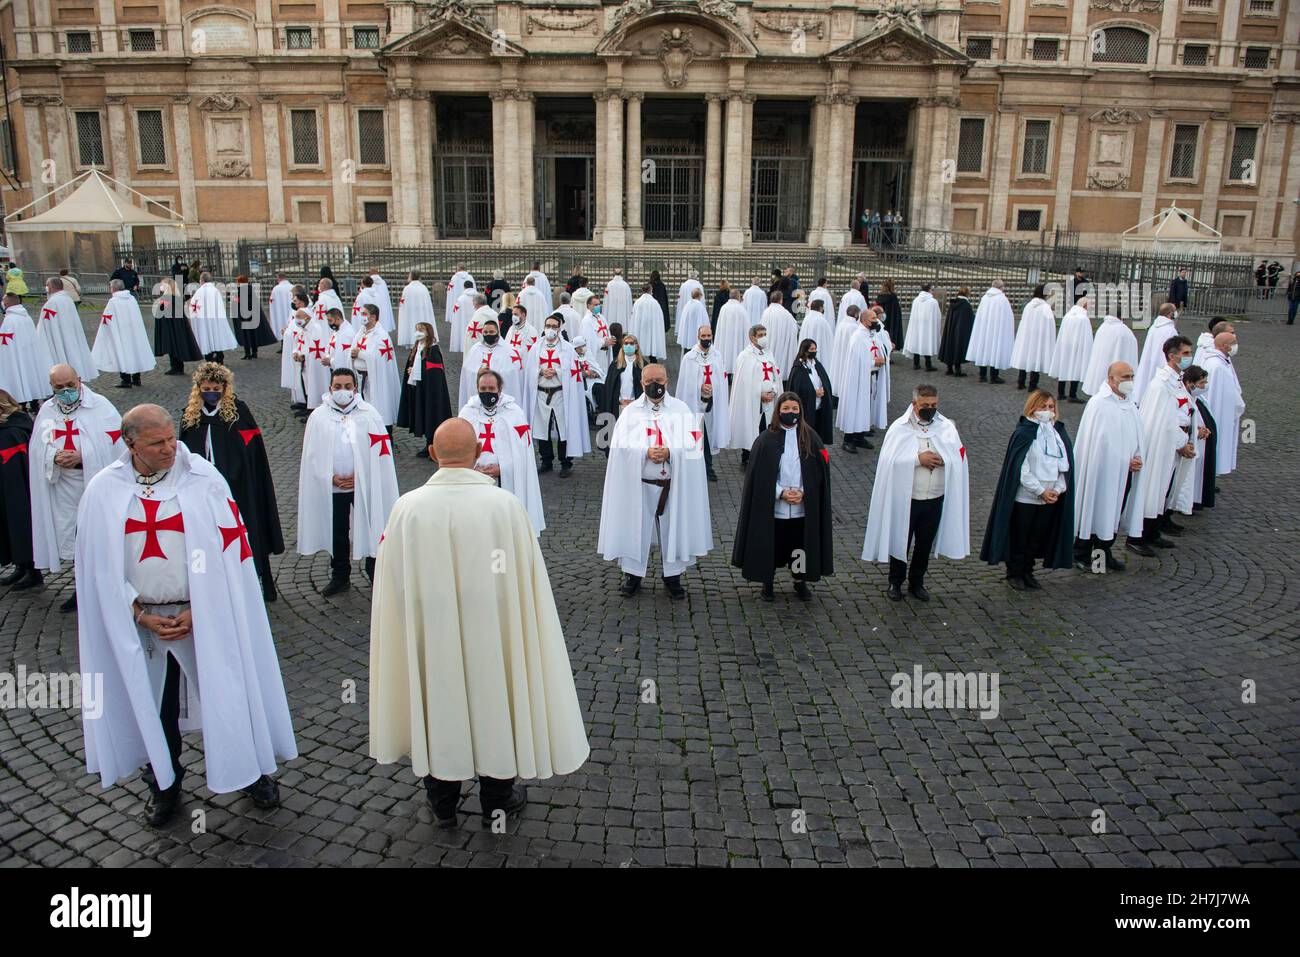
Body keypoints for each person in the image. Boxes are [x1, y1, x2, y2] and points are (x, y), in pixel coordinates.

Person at [75, 403, 296, 827]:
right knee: (156, 707)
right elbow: (96, 567)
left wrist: (199, 606)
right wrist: (138, 613)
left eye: (171, 438)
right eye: (156, 443)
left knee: (227, 691)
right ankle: (164, 784)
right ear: (130, 443)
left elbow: (228, 552)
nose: (169, 448)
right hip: (144, 622)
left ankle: (252, 772)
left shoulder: (202, 480)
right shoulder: (104, 491)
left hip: (204, 612)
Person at [368, 418, 589, 829]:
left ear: (433, 455)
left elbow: (393, 584)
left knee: (438, 700)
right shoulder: (504, 506)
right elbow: (527, 583)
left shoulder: (407, 508)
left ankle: (442, 802)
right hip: (494, 626)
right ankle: (497, 800)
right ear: (477, 456)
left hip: (430, 631)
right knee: (496, 699)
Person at [598, 363, 711, 599]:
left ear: (667, 381)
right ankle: (633, 575)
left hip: (673, 486)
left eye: (659, 381)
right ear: (642, 383)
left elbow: (694, 446)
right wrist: (645, 453)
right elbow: (619, 447)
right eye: (649, 381)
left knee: (673, 528)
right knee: (635, 528)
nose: (655, 385)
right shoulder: (630, 413)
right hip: (640, 484)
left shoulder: (681, 410)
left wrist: (671, 452)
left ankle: (673, 577)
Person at [178, 363, 283, 602]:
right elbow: (184, 452)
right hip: (202, 489)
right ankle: (206, 583)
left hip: (239, 485)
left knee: (248, 530)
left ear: (225, 388)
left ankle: (262, 580)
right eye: (206, 388)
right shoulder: (190, 415)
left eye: (216, 388)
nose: (211, 392)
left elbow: (251, 453)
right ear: (198, 389)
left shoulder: (239, 412)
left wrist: (236, 473)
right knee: (203, 534)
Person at [297, 369, 399, 596]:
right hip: (333, 485)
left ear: (355, 387)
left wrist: (362, 475)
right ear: (330, 388)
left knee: (373, 525)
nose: (342, 390)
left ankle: (375, 572)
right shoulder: (319, 417)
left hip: (363, 484)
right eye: (337, 386)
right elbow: (311, 455)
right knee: (338, 531)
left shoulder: (369, 414)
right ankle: (340, 575)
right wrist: (329, 476)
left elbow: (379, 453)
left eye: (347, 386)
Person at [862, 384, 969, 601]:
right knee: (901, 540)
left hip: (935, 496)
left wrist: (945, 459)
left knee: (924, 543)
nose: (930, 409)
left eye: (934, 405)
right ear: (914, 404)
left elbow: (959, 457)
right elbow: (889, 462)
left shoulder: (946, 427)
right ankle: (895, 581)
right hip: (908, 497)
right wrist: (918, 459)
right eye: (925, 405)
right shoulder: (900, 428)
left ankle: (917, 582)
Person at [29, 365, 122, 609]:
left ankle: (104, 586)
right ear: (51, 387)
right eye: (59, 388)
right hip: (63, 484)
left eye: (70, 385)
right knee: (72, 534)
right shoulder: (47, 411)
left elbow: (115, 443)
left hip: (92, 482)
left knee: (97, 533)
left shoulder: (100, 406)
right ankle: (79, 587)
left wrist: (83, 455)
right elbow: (38, 447)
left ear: (79, 380)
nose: (66, 391)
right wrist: (53, 456)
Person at [732, 391, 832, 601]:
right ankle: (768, 581)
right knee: (773, 544)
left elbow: (819, 471)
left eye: (794, 409)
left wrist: (804, 492)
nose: (790, 413)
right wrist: (781, 493)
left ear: (801, 411)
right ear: (778, 412)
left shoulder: (812, 438)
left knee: (799, 547)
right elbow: (759, 476)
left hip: (800, 507)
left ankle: (799, 581)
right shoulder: (765, 440)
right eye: (786, 409)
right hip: (775, 506)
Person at [980, 390, 1076, 590]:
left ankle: (1028, 570)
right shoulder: (1024, 433)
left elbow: (1064, 467)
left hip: (1050, 496)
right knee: (1020, 537)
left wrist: (1057, 489)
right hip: (1026, 497)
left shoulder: (1058, 433)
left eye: (1051, 407)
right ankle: (1014, 572)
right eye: (1043, 407)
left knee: (1036, 537)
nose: (1048, 411)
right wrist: (1040, 490)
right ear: (1033, 408)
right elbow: (1020, 469)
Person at [1072, 361, 1149, 567]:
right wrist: (1123, 461)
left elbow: (1136, 435)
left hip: (1125, 473)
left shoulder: (1130, 403)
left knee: (1114, 511)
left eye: (1132, 376)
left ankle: (1104, 552)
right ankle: (1081, 552)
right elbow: (1097, 443)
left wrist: (1138, 456)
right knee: (1095, 507)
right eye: (1125, 377)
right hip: (1102, 472)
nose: (1129, 381)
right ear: (1111, 379)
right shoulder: (1099, 404)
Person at [1131, 336, 1198, 551]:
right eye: (1185, 353)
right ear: (1172, 355)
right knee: (1153, 488)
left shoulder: (1176, 380)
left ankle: (1153, 531)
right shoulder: (1161, 384)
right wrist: (1181, 443)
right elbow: (1166, 421)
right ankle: (1137, 537)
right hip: (1163, 444)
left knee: (1163, 489)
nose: (1189, 357)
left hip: (1173, 444)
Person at [458, 367, 545, 534]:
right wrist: (472, 469)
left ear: (500, 389)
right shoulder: (467, 413)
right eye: (483, 389)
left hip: (505, 481)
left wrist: (503, 469)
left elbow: (522, 455)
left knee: (503, 528)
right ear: (477, 388)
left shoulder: (514, 413)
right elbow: (459, 447)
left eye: (491, 389)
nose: (487, 392)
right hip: (475, 479)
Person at [523, 313, 591, 476]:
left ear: (560, 328)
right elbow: (529, 370)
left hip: (560, 394)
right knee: (541, 428)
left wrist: (557, 372)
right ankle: (546, 461)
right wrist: (540, 371)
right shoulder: (536, 347)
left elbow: (573, 373)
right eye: (548, 326)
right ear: (544, 327)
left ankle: (565, 462)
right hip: (541, 393)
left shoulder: (568, 349)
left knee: (564, 428)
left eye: (554, 326)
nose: (551, 329)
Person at [675, 322, 728, 481]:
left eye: (709, 336)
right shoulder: (689, 358)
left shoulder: (717, 356)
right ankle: (695, 470)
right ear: (698, 337)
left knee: (709, 436)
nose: (706, 339)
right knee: (697, 435)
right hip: (695, 404)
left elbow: (721, 379)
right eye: (703, 336)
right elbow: (686, 383)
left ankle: (708, 468)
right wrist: (700, 388)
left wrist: (713, 388)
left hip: (712, 403)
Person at [835, 306, 892, 453]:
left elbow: (879, 350)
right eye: (873, 319)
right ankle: (848, 440)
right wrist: (874, 362)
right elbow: (857, 360)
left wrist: (883, 358)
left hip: (870, 378)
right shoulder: (858, 337)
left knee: (865, 407)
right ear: (865, 321)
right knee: (855, 407)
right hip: (858, 379)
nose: (876, 321)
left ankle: (859, 437)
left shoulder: (870, 335)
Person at [396, 320, 453, 457]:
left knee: (432, 415)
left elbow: (435, 372)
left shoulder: (433, 349)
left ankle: (433, 446)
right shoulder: (417, 347)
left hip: (431, 391)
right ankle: (429, 445)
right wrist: (411, 370)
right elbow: (416, 364)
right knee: (424, 415)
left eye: (421, 330)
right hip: (420, 388)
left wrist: (416, 370)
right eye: (416, 329)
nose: (418, 333)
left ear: (428, 332)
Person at [728, 324, 781, 465]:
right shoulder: (745, 356)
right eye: (760, 335)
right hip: (752, 402)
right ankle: (748, 456)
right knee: (752, 428)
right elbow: (744, 383)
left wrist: (774, 390)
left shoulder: (769, 354)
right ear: (752, 338)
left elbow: (775, 375)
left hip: (769, 400)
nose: (764, 337)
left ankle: (765, 456)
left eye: (765, 334)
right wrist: (759, 394)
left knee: (767, 428)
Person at [0, 389, 37, 589]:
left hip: (18, 489)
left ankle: (33, 571)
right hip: (5, 489)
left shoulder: (14, 430)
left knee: (21, 525)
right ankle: (20, 567)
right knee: (8, 527)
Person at [1198, 331, 1245, 487]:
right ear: (1224, 346)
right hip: (1218, 412)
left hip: (1221, 411)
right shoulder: (1217, 366)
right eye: (1234, 342)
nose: (1236, 345)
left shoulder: (1221, 362)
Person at [94, 279, 155, 389]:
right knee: (134, 352)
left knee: (122, 353)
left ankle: (126, 380)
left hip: (120, 333)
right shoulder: (131, 298)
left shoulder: (113, 302)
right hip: (133, 331)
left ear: (113, 288)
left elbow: (107, 319)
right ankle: (137, 378)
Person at [351, 303, 401, 428]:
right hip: (362, 377)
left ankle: (384, 433)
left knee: (378, 405)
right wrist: (352, 354)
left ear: (373, 317)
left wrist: (360, 354)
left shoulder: (381, 335)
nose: (361, 316)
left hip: (376, 378)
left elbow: (378, 358)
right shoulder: (361, 332)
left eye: (364, 314)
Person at [37, 276, 97, 381]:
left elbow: (44, 325)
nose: (46, 287)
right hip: (69, 334)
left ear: (51, 287)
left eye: (47, 285)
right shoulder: (67, 299)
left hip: (58, 336)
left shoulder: (52, 303)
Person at [0, 293, 54, 408]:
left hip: (15, 355)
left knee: (18, 374)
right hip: (28, 354)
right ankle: (35, 402)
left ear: (7, 304)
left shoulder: (9, 320)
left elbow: (5, 343)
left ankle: (21, 402)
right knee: (30, 374)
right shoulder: (26, 317)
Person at [459, 317, 524, 408]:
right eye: (485, 332)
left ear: (498, 333)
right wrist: (478, 372)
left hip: (500, 399)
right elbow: (467, 370)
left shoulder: (509, 350)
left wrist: (493, 375)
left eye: (491, 332)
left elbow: (513, 373)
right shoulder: (475, 349)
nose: (488, 334)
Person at [151, 277, 202, 377]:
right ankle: (178, 367)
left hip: (170, 327)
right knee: (177, 345)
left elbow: (162, 311)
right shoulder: (176, 297)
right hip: (178, 326)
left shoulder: (167, 298)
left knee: (172, 346)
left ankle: (175, 367)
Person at [290, 290, 332, 413]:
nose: (296, 319)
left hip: (313, 363)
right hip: (304, 362)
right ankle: (307, 404)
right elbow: (299, 343)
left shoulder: (315, 329)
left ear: (307, 317)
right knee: (306, 383)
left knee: (313, 384)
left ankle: (313, 408)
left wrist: (303, 355)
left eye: (299, 317)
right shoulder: (303, 329)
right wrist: (296, 353)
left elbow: (316, 348)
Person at [966, 280, 1013, 383]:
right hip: (997, 330)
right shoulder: (1002, 299)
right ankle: (994, 376)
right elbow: (1008, 317)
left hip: (984, 328)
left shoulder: (985, 298)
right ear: (1001, 287)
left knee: (983, 349)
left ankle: (982, 375)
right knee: (995, 350)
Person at [788, 338, 833, 445]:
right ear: (805, 351)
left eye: (815, 349)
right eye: (812, 349)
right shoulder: (798, 368)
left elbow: (825, 381)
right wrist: (813, 393)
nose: (814, 351)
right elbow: (797, 389)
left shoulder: (817, 364)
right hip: (807, 408)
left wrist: (824, 390)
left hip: (819, 406)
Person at [1010, 284, 1056, 391]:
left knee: (1025, 356)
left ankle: (1020, 382)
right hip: (1039, 337)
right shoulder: (1045, 307)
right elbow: (1049, 324)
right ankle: (1032, 385)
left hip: (1027, 336)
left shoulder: (1029, 305)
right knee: (1036, 358)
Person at [1050, 295, 1093, 404]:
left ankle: (1061, 393)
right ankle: (1072, 394)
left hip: (1065, 345)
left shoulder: (1068, 315)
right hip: (1078, 347)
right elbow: (1087, 337)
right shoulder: (1083, 319)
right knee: (1076, 368)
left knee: (1063, 366)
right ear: (1084, 305)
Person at [1082, 313, 1138, 396]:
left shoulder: (1103, 326)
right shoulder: (1124, 331)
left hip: (1101, 368)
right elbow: (1130, 353)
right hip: (1117, 371)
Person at [1132, 303, 1178, 403]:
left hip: (1151, 360)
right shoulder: (1170, 330)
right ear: (1170, 314)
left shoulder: (1154, 326)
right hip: (1162, 362)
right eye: (1175, 311)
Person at [1185, 364, 1217, 510]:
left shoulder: (1199, 398)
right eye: (1201, 383)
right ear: (1190, 384)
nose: (1205, 386)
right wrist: (1197, 432)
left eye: (1205, 382)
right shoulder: (1185, 399)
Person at [188, 271, 238, 363]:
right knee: (216, 337)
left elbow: (193, 307)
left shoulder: (199, 292)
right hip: (216, 320)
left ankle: (210, 359)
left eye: (200, 279)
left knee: (207, 338)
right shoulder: (215, 290)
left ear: (202, 280)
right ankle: (220, 357)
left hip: (205, 321)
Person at [230, 275, 277, 360]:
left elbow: (237, 302)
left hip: (245, 317)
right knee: (252, 334)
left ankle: (247, 353)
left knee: (246, 335)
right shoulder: (249, 289)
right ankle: (254, 353)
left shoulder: (242, 290)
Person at [603, 332, 647, 420]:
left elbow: (645, 388)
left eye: (631, 343)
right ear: (622, 347)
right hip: (618, 404)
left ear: (636, 346)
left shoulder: (643, 365)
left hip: (637, 405)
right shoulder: (615, 364)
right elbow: (610, 386)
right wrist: (619, 400)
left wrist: (634, 400)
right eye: (626, 343)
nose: (628, 346)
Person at [902, 283, 941, 372]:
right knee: (927, 342)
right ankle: (928, 364)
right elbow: (937, 315)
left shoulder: (916, 300)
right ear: (929, 290)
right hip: (928, 324)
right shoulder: (933, 301)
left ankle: (916, 363)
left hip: (917, 323)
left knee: (917, 341)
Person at [761, 291, 799, 380]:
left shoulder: (766, 312)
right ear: (781, 300)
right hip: (781, 344)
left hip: (769, 343)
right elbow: (794, 328)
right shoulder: (785, 313)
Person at [938, 286, 975, 377]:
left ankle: (949, 368)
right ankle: (958, 370)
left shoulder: (953, 303)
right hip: (960, 331)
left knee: (950, 346)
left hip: (951, 329)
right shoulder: (966, 305)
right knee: (958, 347)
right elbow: (970, 319)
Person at [714, 286, 748, 377]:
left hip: (726, 336)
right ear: (738, 297)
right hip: (737, 337)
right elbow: (747, 327)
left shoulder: (724, 308)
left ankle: (726, 374)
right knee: (736, 353)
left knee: (726, 353)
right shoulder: (742, 309)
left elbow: (719, 326)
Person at [630, 283, 667, 362]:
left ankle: (638, 365)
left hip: (640, 328)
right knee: (652, 344)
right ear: (651, 290)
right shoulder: (655, 303)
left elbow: (633, 318)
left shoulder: (638, 302)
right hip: (651, 329)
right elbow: (659, 319)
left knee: (639, 343)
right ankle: (653, 363)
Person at [397, 270, 434, 347]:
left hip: (410, 311)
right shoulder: (423, 288)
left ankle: (411, 339)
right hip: (421, 310)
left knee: (411, 323)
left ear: (411, 277)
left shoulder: (407, 289)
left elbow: (403, 303)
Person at [444, 264, 474, 352]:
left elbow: (450, 292)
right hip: (470, 303)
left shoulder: (454, 278)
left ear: (458, 268)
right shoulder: (470, 277)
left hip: (458, 302)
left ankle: (458, 340)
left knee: (459, 323)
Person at [799, 298, 835, 369]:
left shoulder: (806, 319)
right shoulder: (822, 321)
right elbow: (829, 341)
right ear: (821, 308)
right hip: (819, 354)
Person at [675, 285, 710, 352]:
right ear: (699, 295)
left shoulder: (687, 305)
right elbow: (705, 322)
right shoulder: (700, 306)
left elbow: (683, 321)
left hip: (687, 335)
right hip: (697, 336)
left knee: (687, 352)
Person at [675, 270, 704, 346]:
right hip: (697, 312)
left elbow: (680, 300)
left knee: (687, 330)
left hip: (686, 311)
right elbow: (702, 301)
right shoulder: (699, 286)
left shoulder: (684, 285)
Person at [875, 278, 903, 349]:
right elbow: (896, 312)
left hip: (881, 320)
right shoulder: (893, 298)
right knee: (890, 335)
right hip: (891, 321)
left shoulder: (879, 297)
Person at [366, 267, 395, 333]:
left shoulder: (369, 282)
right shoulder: (382, 282)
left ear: (370, 273)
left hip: (373, 306)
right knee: (383, 322)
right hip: (383, 307)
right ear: (377, 273)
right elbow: (386, 296)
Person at [268, 272, 294, 341]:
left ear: (278, 278)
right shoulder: (292, 287)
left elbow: (271, 301)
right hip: (290, 310)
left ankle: (283, 343)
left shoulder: (276, 289)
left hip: (280, 312)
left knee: (281, 324)